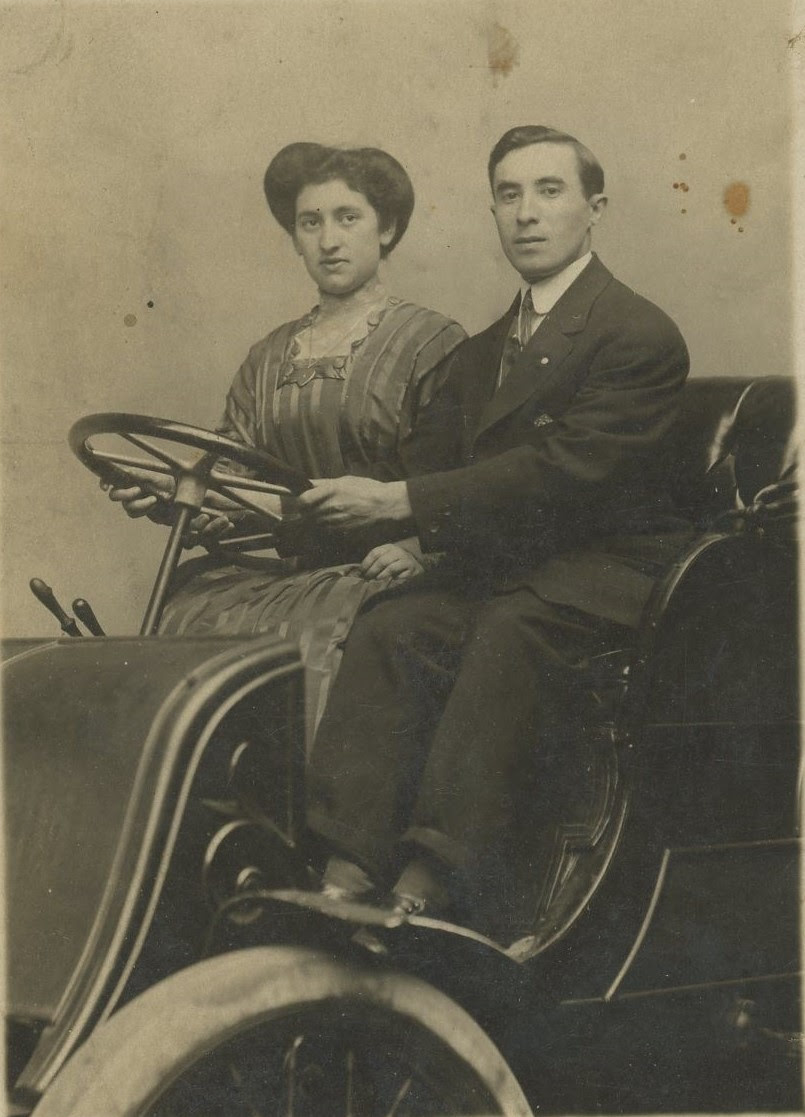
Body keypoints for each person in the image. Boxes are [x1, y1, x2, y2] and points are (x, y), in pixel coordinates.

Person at [298, 125, 693, 929]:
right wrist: (245, 505)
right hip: (513, 569)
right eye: (508, 195)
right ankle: (342, 870)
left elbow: (565, 474)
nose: (527, 213)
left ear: (594, 207)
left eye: (549, 191)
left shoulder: (637, 335)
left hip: (606, 579)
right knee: (395, 625)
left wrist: (407, 509)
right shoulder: (480, 354)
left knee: (508, 631)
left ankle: (430, 880)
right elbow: (423, 463)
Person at [107, 142, 466, 739]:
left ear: (388, 228)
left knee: (326, 630)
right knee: (190, 602)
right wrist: (177, 497)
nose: (329, 240)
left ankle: (313, 817)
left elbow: (459, 473)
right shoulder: (267, 358)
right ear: (295, 238)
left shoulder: (431, 342)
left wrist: (415, 544)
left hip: (394, 569)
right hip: (291, 569)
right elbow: (235, 480)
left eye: (347, 218)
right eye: (310, 222)